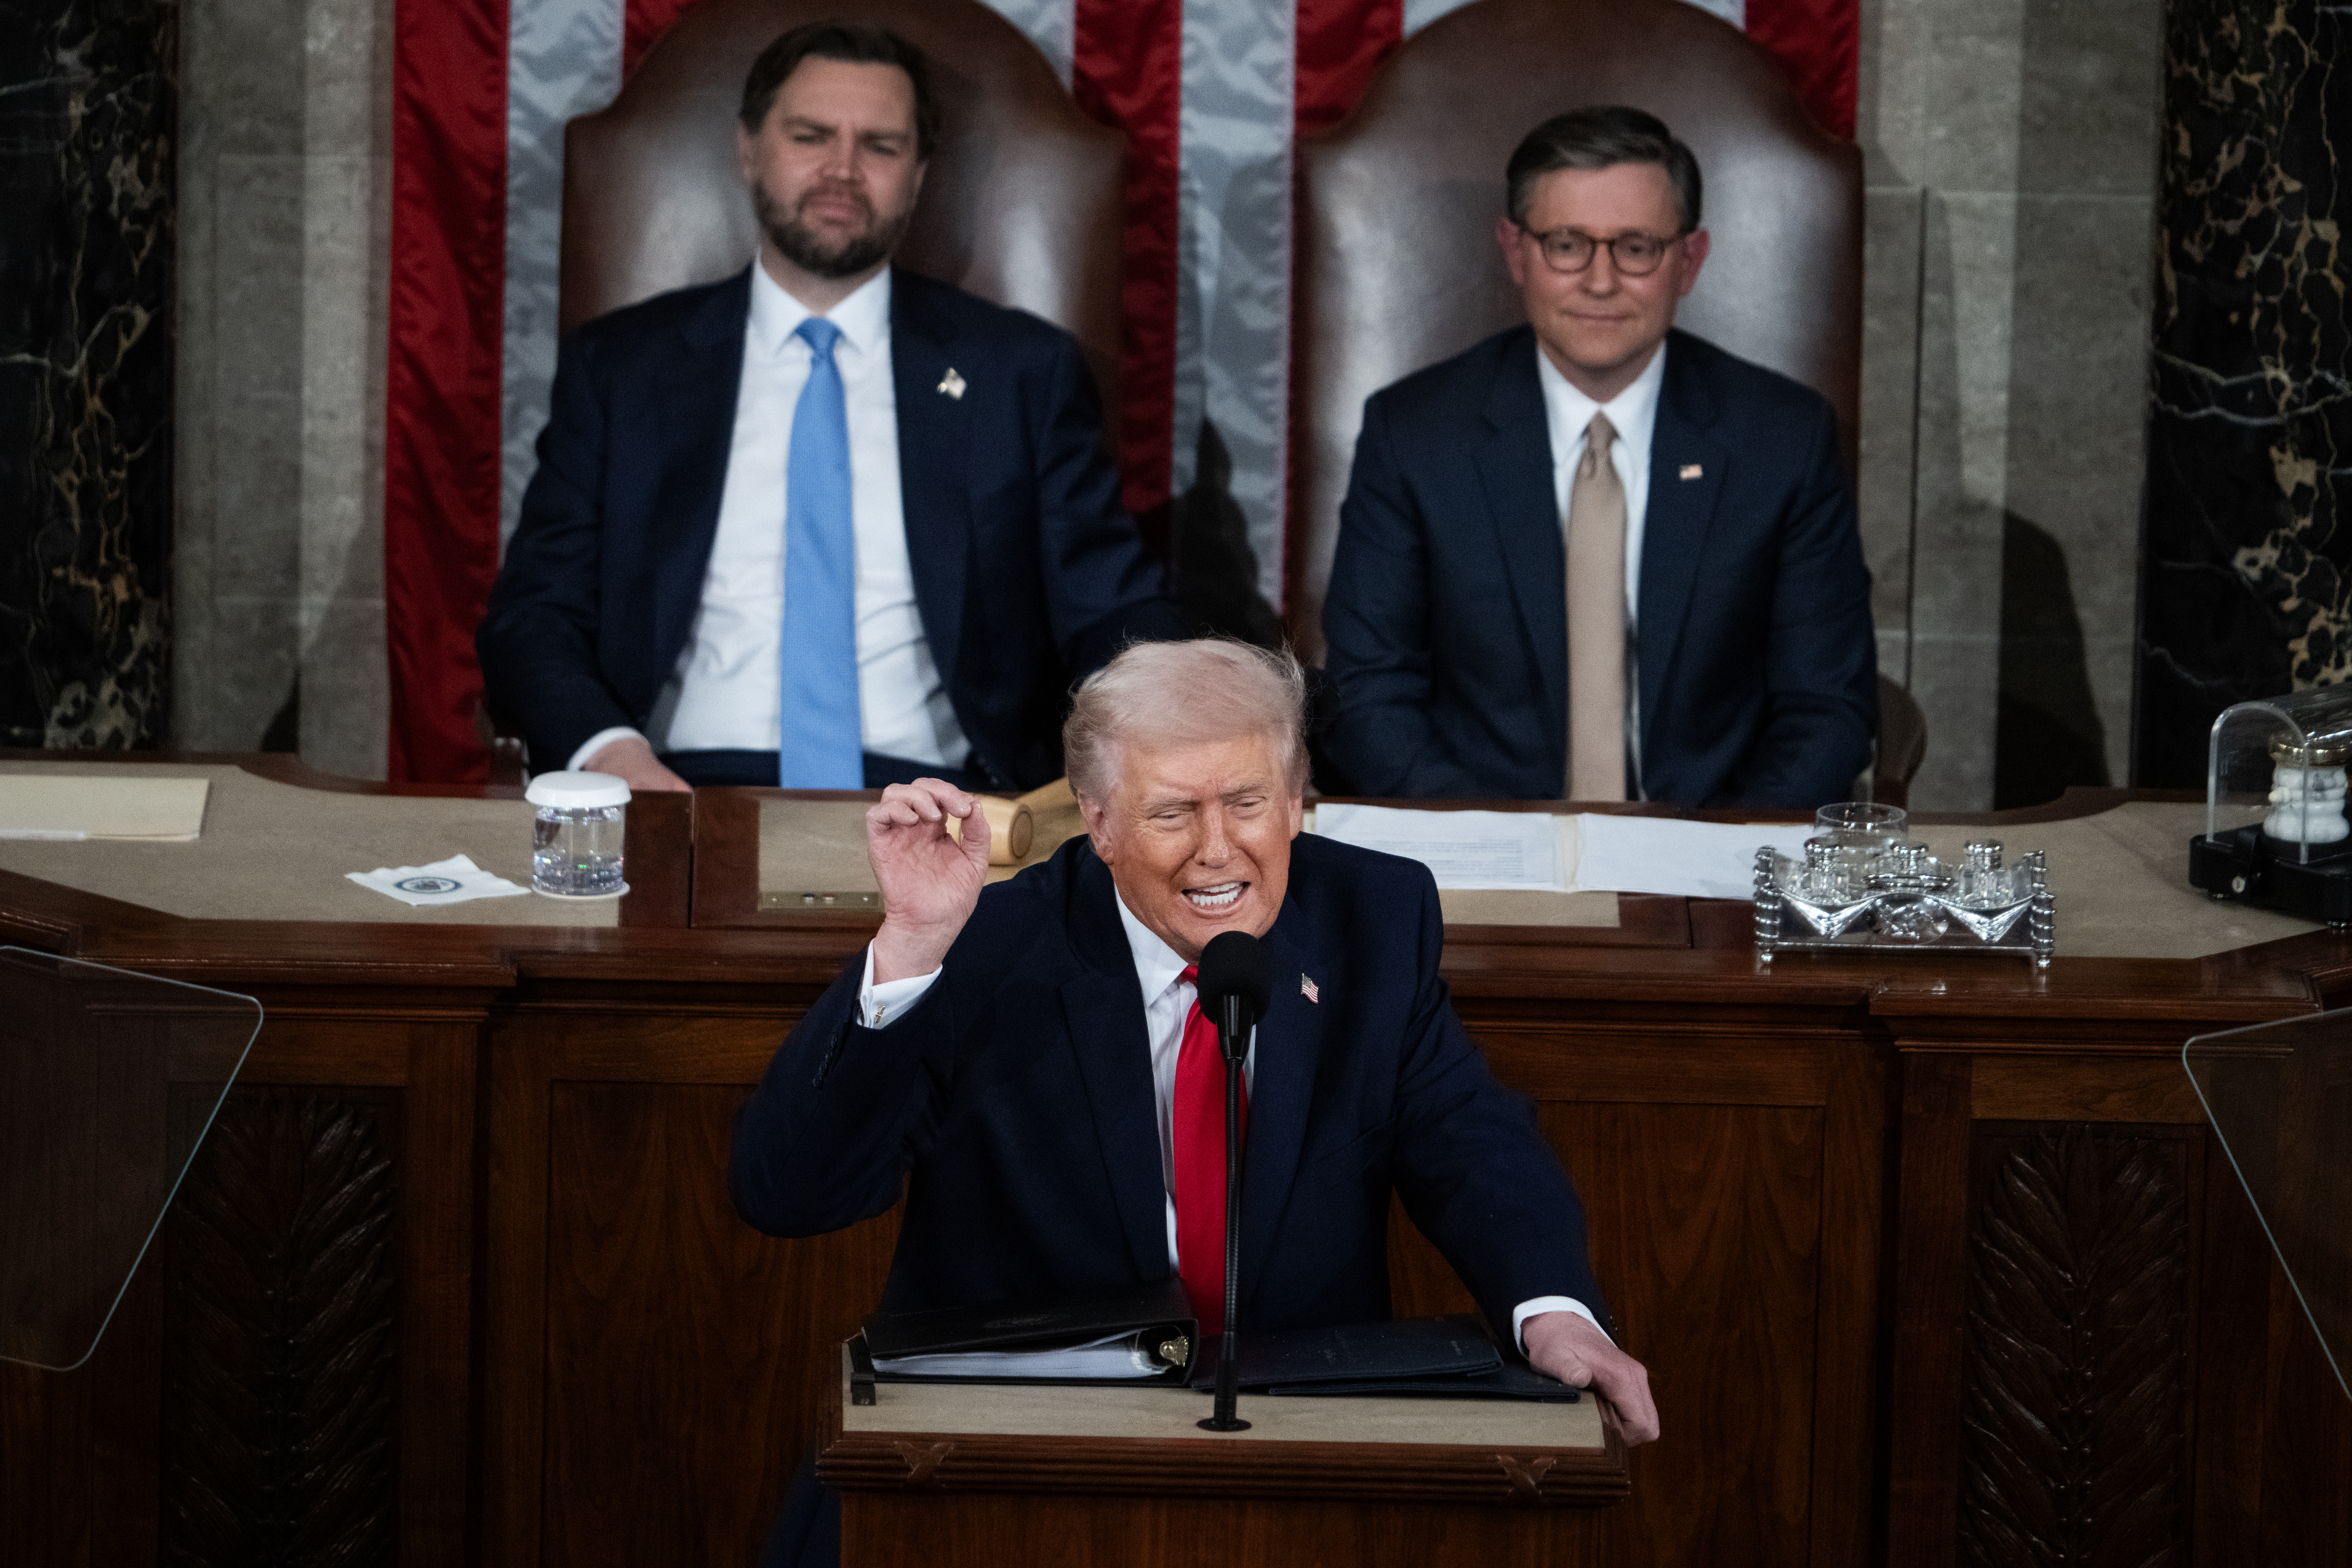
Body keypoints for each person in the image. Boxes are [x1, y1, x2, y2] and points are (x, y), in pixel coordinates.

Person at [730, 638, 1658, 1567]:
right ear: (1097, 822)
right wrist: (909, 950)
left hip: (1293, 1464)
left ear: (1297, 800)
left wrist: (1554, 1310)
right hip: (1015, 1455)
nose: (1220, 850)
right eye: (1173, 811)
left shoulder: (1374, 919)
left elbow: (1470, 1137)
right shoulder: (990, 944)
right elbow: (790, 1193)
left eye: (1249, 802)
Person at [478, 22, 1184, 794]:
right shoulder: (622, 368)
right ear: (749, 148)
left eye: (880, 146)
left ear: (918, 175)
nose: (842, 169)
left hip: (943, 801)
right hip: (674, 789)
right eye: (811, 135)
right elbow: (534, 616)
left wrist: (1144, 741)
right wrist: (615, 759)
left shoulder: (1020, 372)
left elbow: (1114, 614)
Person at [1320, 106, 1876, 807]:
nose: (1601, 280)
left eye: (1637, 247)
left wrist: (1721, 859)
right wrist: (1485, 845)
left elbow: (1825, 705)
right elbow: (1369, 693)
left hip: (1709, 857)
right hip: (1482, 852)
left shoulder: (1782, 440)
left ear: (1689, 261)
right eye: (1566, 245)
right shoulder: (1415, 434)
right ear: (1515, 252)